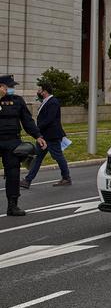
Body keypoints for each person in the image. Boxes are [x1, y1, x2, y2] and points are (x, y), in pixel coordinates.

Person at [0, 75, 46, 217]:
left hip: (12, 142)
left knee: (13, 174)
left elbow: (27, 121)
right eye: (9, 86)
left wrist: (38, 136)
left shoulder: (18, 101)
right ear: (1, 86)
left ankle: (12, 206)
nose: (12, 89)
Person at [22, 81, 70, 188]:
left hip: (52, 136)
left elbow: (50, 119)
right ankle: (27, 180)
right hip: (44, 136)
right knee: (37, 158)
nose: (38, 92)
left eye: (40, 90)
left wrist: (36, 129)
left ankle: (66, 178)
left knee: (58, 157)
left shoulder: (53, 102)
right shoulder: (46, 101)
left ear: (44, 91)